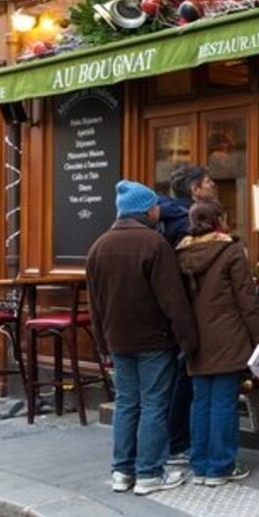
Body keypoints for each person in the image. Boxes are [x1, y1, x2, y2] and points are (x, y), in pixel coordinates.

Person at [86, 180, 198, 496]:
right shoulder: (154, 243)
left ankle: (122, 471)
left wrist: (102, 342)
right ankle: (149, 473)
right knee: (153, 404)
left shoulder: (99, 246)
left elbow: (94, 305)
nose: (157, 210)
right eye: (153, 206)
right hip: (154, 340)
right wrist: (187, 340)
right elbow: (172, 299)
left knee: (126, 404)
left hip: (118, 340)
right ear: (144, 210)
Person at [176, 201, 259, 486]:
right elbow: (247, 301)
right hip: (229, 336)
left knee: (201, 401)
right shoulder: (230, 251)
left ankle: (201, 465)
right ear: (218, 220)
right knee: (224, 403)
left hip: (197, 339)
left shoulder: (181, 254)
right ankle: (220, 466)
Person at [156, 164, 217, 467]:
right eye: (208, 182)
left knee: (173, 376)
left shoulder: (166, 218)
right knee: (184, 376)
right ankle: (179, 443)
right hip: (187, 309)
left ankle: (171, 442)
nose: (213, 185)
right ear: (195, 191)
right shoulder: (183, 223)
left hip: (166, 309)